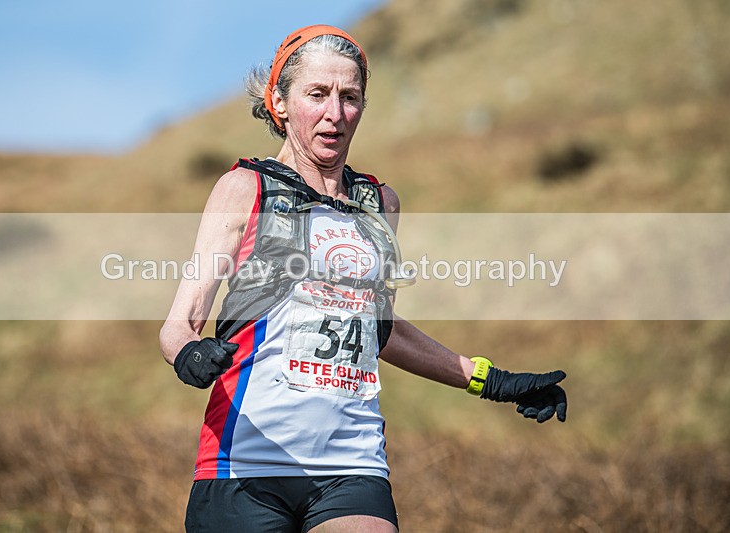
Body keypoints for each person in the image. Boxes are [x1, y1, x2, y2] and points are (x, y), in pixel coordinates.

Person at [160, 24, 567, 533]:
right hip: (243, 464)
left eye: (350, 97)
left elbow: (381, 327)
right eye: (318, 94)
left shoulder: (380, 204)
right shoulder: (244, 189)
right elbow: (179, 324)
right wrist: (191, 355)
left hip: (351, 463)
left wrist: (492, 380)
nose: (335, 113)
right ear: (279, 103)